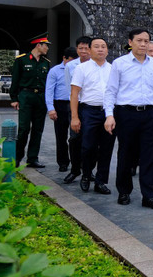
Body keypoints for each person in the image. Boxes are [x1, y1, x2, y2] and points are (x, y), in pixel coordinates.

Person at [103, 28, 153, 209]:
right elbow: (111, 91)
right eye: (139, 40)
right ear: (130, 42)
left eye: (146, 41)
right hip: (126, 113)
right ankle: (124, 191)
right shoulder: (119, 63)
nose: (143, 44)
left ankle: (149, 196)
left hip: (149, 114)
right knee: (126, 154)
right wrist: (109, 115)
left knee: (149, 156)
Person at [69, 37, 116, 194]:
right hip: (89, 111)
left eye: (103, 46)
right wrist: (74, 117)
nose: (100, 49)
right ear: (89, 50)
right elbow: (74, 93)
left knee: (106, 147)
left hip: (109, 112)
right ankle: (86, 175)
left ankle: (101, 181)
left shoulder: (113, 69)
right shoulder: (81, 68)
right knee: (88, 146)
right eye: (96, 46)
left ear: (107, 50)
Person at [10, 33, 51, 168]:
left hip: (40, 97)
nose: (47, 48)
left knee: (38, 129)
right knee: (24, 128)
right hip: (26, 96)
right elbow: (15, 80)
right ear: (38, 45)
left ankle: (32, 158)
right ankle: (17, 157)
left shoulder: (46, 62)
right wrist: (14, 98)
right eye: (46, 46)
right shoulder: (22, 60)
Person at [63, 36, 92, 180]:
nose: (84, 51)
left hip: (91, 106)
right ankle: (75, 170)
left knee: (91, 139)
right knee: (74, 138)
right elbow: (70, 89)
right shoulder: (70, 66)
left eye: (86, 48)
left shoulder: (96, 65)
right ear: (77, 49)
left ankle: (88, 170)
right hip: (77, 105)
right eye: (81, 48)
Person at [45, 47, 78, 172]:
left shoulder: (79, 68)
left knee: (76, 136)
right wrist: (51, 108)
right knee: (61, 135)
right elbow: (49, 90)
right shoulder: (55, 71)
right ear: (64, 58)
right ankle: (63, 162)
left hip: (75, 104)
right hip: (60, 105)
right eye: (71, 60)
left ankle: (77, 163)